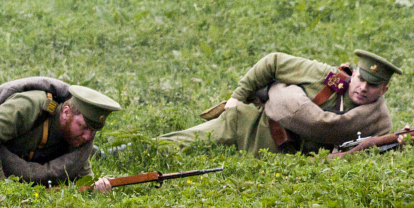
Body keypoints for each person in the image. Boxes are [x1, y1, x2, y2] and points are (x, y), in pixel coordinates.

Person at [159, 50, 401, 155]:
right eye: (361, 79)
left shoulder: (376, 122)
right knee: (171, 146)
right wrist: (238, 96)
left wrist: (401, 143)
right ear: (354, 74)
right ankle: (136, 149)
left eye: (372, 85)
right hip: (247, 126)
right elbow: (273, 62)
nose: (363, 88)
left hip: (270, 160)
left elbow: (368, 151)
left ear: (384, 90)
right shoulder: (330, 79)